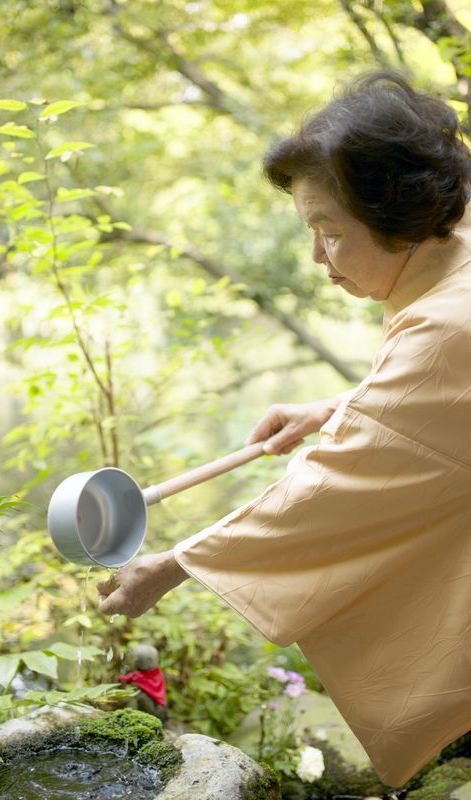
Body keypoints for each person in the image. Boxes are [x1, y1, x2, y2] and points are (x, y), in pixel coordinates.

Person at [97, 71, 471, 787]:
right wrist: (338, 407)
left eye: (329, 232)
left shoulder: (446, 328)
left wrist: (172, 565)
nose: (316, 260)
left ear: (402, 215)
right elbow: (445, 402)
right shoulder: (460, 239)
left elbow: (337, 490)